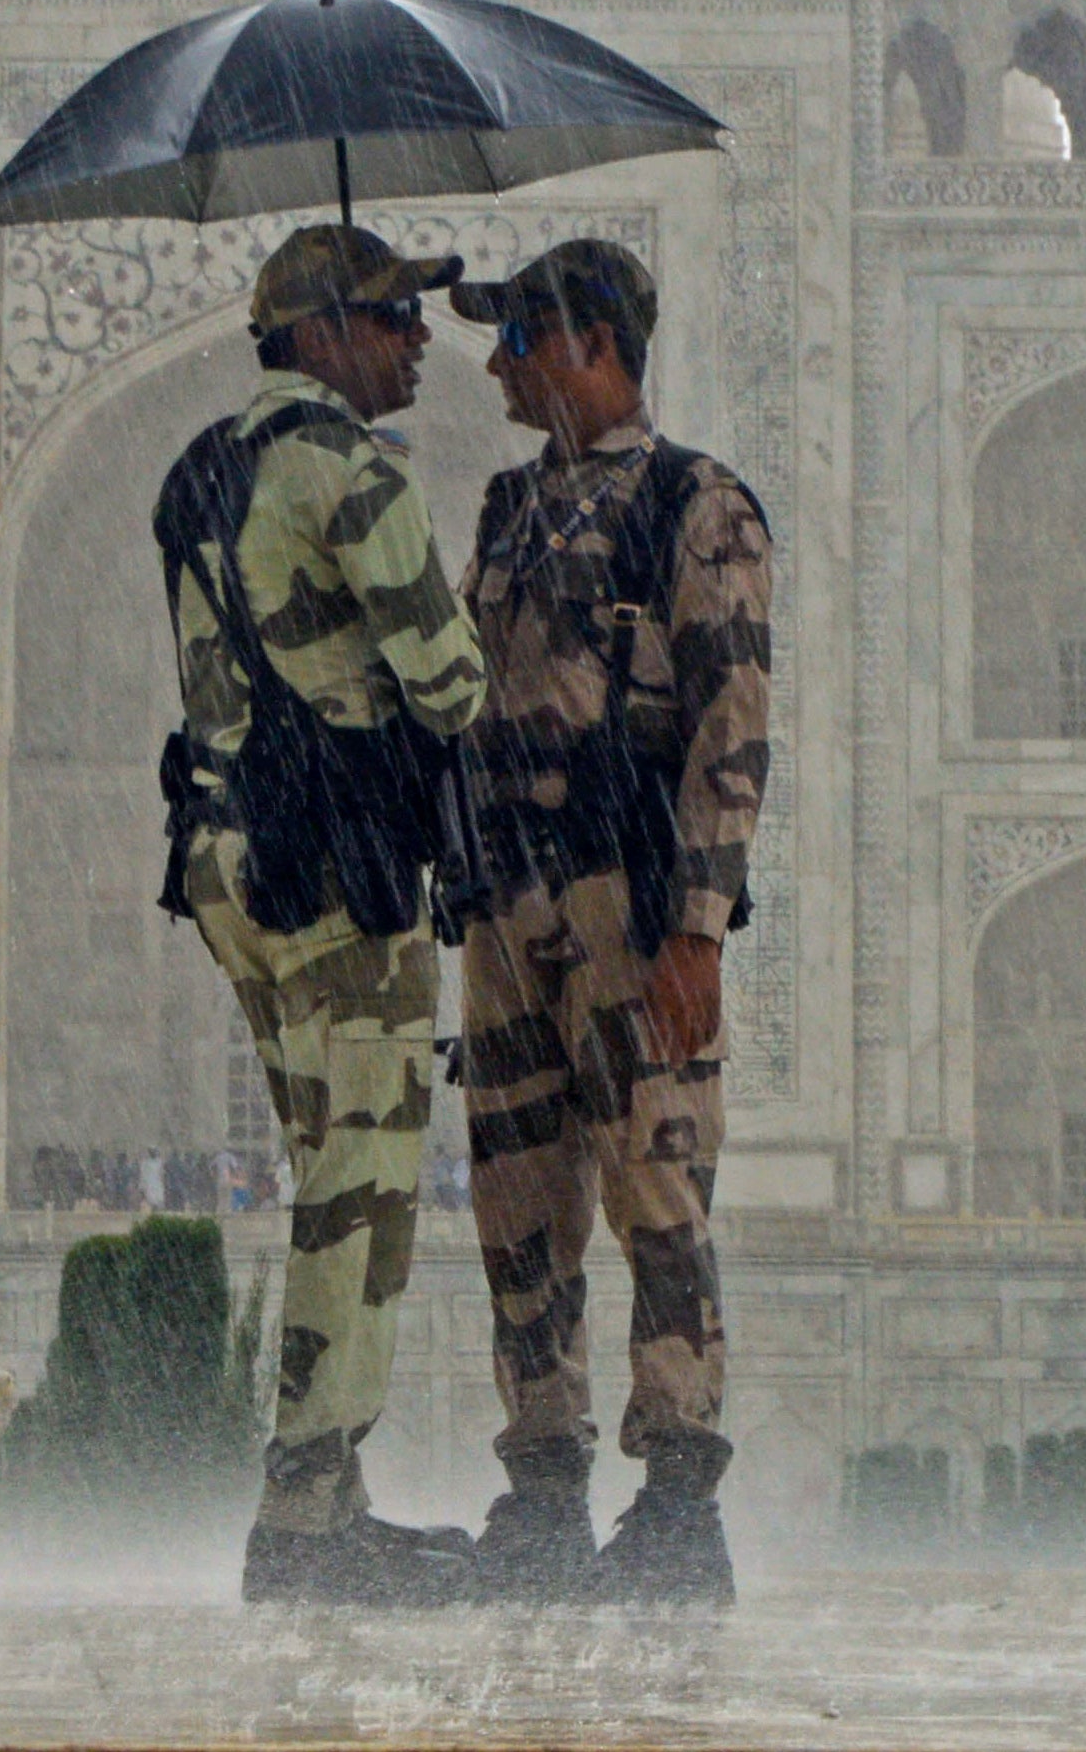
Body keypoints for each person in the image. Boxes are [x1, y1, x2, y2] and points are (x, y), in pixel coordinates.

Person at [151, 220, 493, 1606]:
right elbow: (448, 679)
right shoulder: (343, 466)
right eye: (393, 316)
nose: (419, 340)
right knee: (361, 1192)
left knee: (320, 1177)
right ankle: (305, 1515)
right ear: (320, 334)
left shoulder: (200, 467)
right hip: (339, 868)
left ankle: (327, 1496)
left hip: (228, 857)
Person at [444, 238, 771, 1604]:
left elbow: (730, 725)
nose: (497, 367)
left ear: (587, 341)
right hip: (506, 899)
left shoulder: (695, 504)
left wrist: (697, 922)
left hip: (627, 904)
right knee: (519, 1201)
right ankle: (542, 1480)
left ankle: (679, 1496)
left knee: (654, 1186)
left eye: (517, 338)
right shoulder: (508, 506)